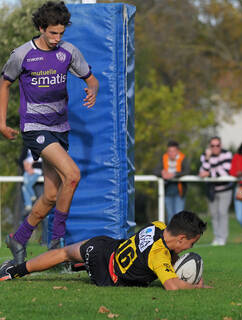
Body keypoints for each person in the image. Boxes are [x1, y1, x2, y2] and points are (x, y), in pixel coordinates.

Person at [0, 1, 99, 264]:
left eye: (61, 33)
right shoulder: (22, 54)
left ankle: (18, 238)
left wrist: (93, 89)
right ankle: (58, 241)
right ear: (41, 28)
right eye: (52, 33)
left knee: (52, 195)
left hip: (60, 128)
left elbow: (91, 78)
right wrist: (1, 122)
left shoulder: (68, 52)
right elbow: (4, 84)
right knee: (73, 175)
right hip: (35, 127)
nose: (57, 38)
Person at [0, 211, 210, 290]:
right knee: (70, 260)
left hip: (104, 248)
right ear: (181, 238)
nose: (190, 248)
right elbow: (172, 286)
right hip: (108, 275)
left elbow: (158, 249)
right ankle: (78, 266)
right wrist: (197, 287)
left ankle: (12, 272)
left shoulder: (157, 225)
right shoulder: (159, 256)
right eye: (191, 243)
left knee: (64, 254)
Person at [199, 137, 233, 246]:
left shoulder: (227, 154)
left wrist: (209, 173)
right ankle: (217, 237)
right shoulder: (205, 155)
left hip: (225, 190)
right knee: (214, 215)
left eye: (217, 145)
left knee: (222, 213)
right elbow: (202, 171)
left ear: (221, 145)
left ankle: (222, 238)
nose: (215, 148)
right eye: (212, 145)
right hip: (212, 190)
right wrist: (208, 158)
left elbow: (225, 172)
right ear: (210, 146)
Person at [154, 141, 189, 223]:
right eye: (169, 151)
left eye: (173, 151)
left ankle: (179, 235)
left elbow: (187, 171)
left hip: (179, 191)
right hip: (167, 191)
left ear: (178, 151)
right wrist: (162, 173)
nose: (171, 153)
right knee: (170, 216)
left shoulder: (183, 158)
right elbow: (155, 171)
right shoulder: (163, 158)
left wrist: (174, 174)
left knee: (179, 215)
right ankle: (172, 235)